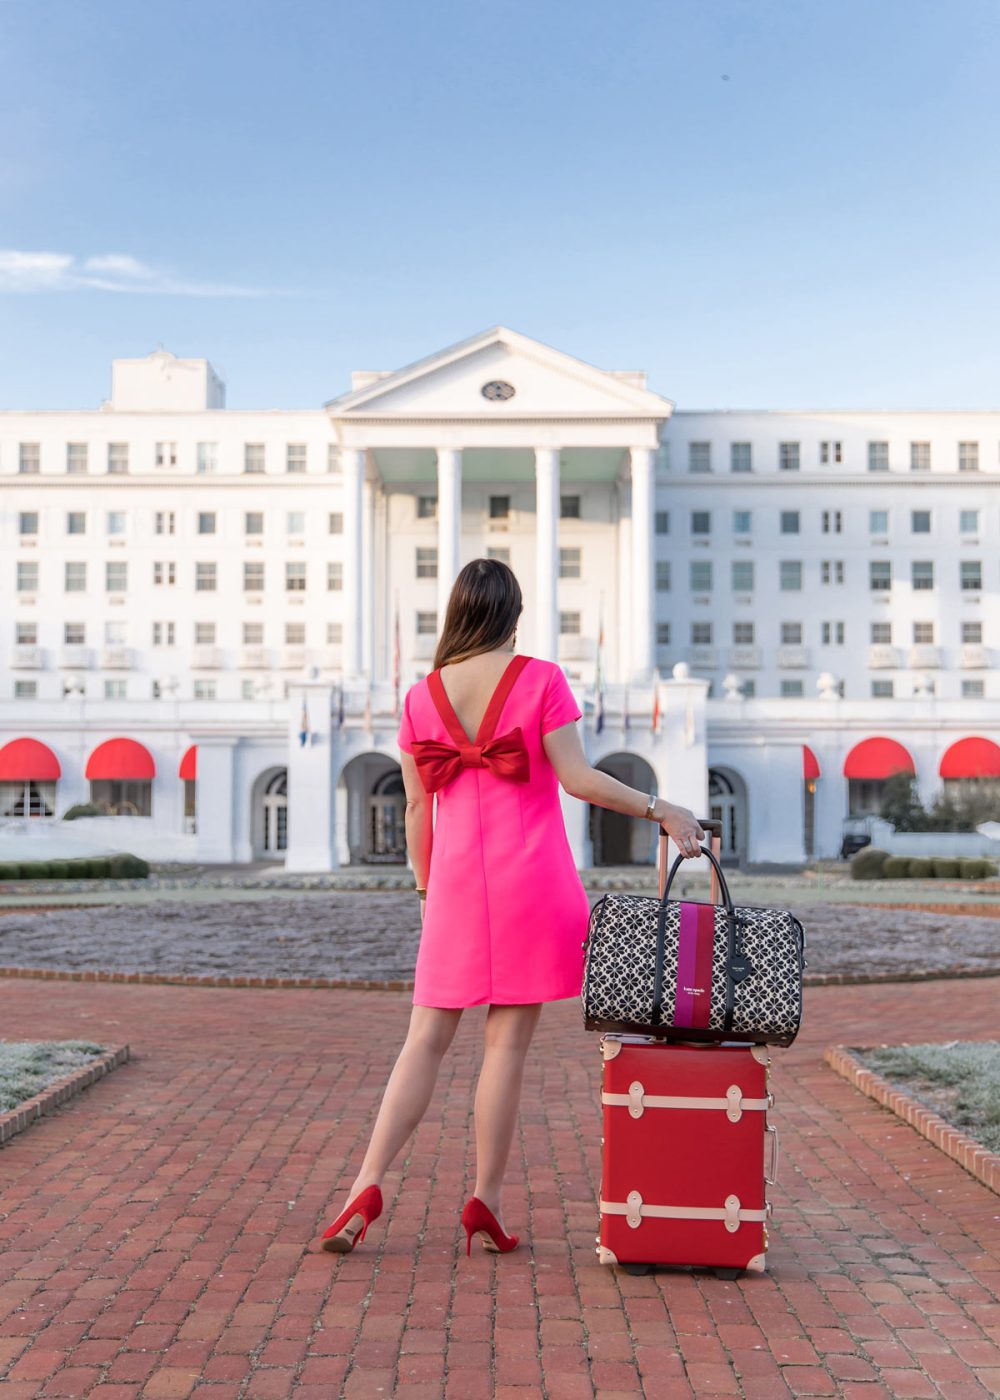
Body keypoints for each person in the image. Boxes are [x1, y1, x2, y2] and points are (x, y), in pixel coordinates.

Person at [315, 558, 706, 1256]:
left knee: (424, 1042)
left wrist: (427, 887)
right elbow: (580, 779)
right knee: (505, 1047)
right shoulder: (540, 679)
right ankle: (483, 1200)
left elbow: (415, 809)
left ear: (457, 614)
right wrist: (661, 807)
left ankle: (364, 1187)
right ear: (512, 615)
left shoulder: (419, 698)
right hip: (533, 883)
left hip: (455, 888)